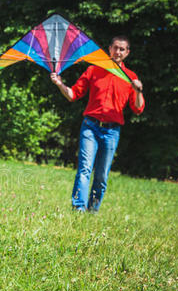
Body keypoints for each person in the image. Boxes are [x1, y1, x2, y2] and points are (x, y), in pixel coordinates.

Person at [50, 36, 145, 212]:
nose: (118, 52)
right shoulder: (94, 70)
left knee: (101, 176)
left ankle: (92, 210)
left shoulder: (130, 77)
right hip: (90, 127)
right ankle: (78, 209)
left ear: (127, 53)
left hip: (111, 132)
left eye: (122, 49)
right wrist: (59, 84)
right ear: (109, 48)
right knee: (84, 169)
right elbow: (72, 95)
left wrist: (138, 91)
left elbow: (138, 109)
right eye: (115, 48)